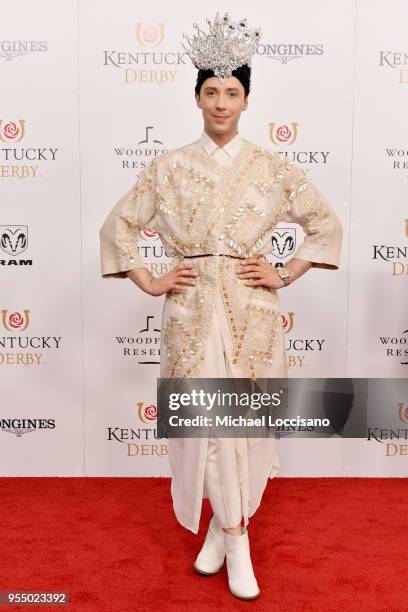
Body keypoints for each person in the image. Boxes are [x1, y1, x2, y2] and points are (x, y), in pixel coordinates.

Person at [99, 12, 343, 601]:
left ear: (247, 100)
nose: (221, 103)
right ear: (196, 97)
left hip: (253, 310)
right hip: (191, 311)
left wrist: (284, 270)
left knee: (248, 429)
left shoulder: (274, 168)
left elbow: (324, 224)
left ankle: (222, 525)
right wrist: (151, 280)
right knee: (206, 429)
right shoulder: (169, 166)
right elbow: (119, 225)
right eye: (211, 92)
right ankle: (237, 539)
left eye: (232, 93)